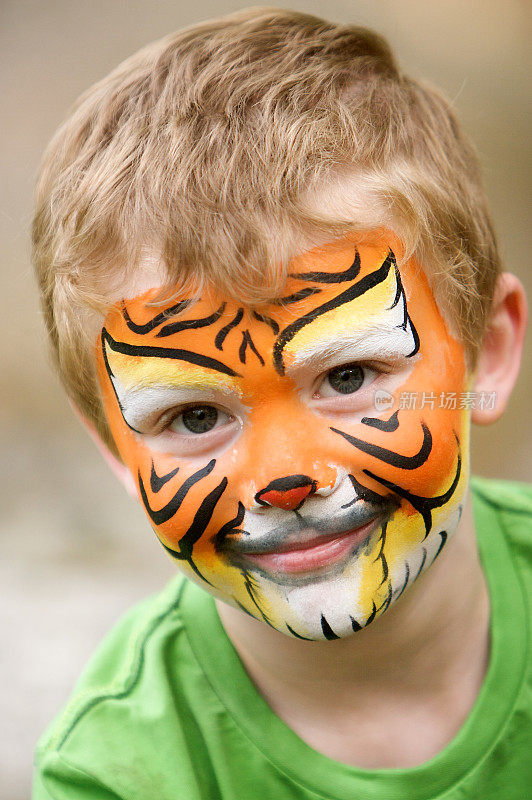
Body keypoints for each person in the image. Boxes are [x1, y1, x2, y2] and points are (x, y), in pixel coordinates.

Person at [31, 8, 530, 799]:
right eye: (194, 417)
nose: (283, 479)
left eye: (349, 376)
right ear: (111, 443)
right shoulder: (117, 772)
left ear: (489, 353)